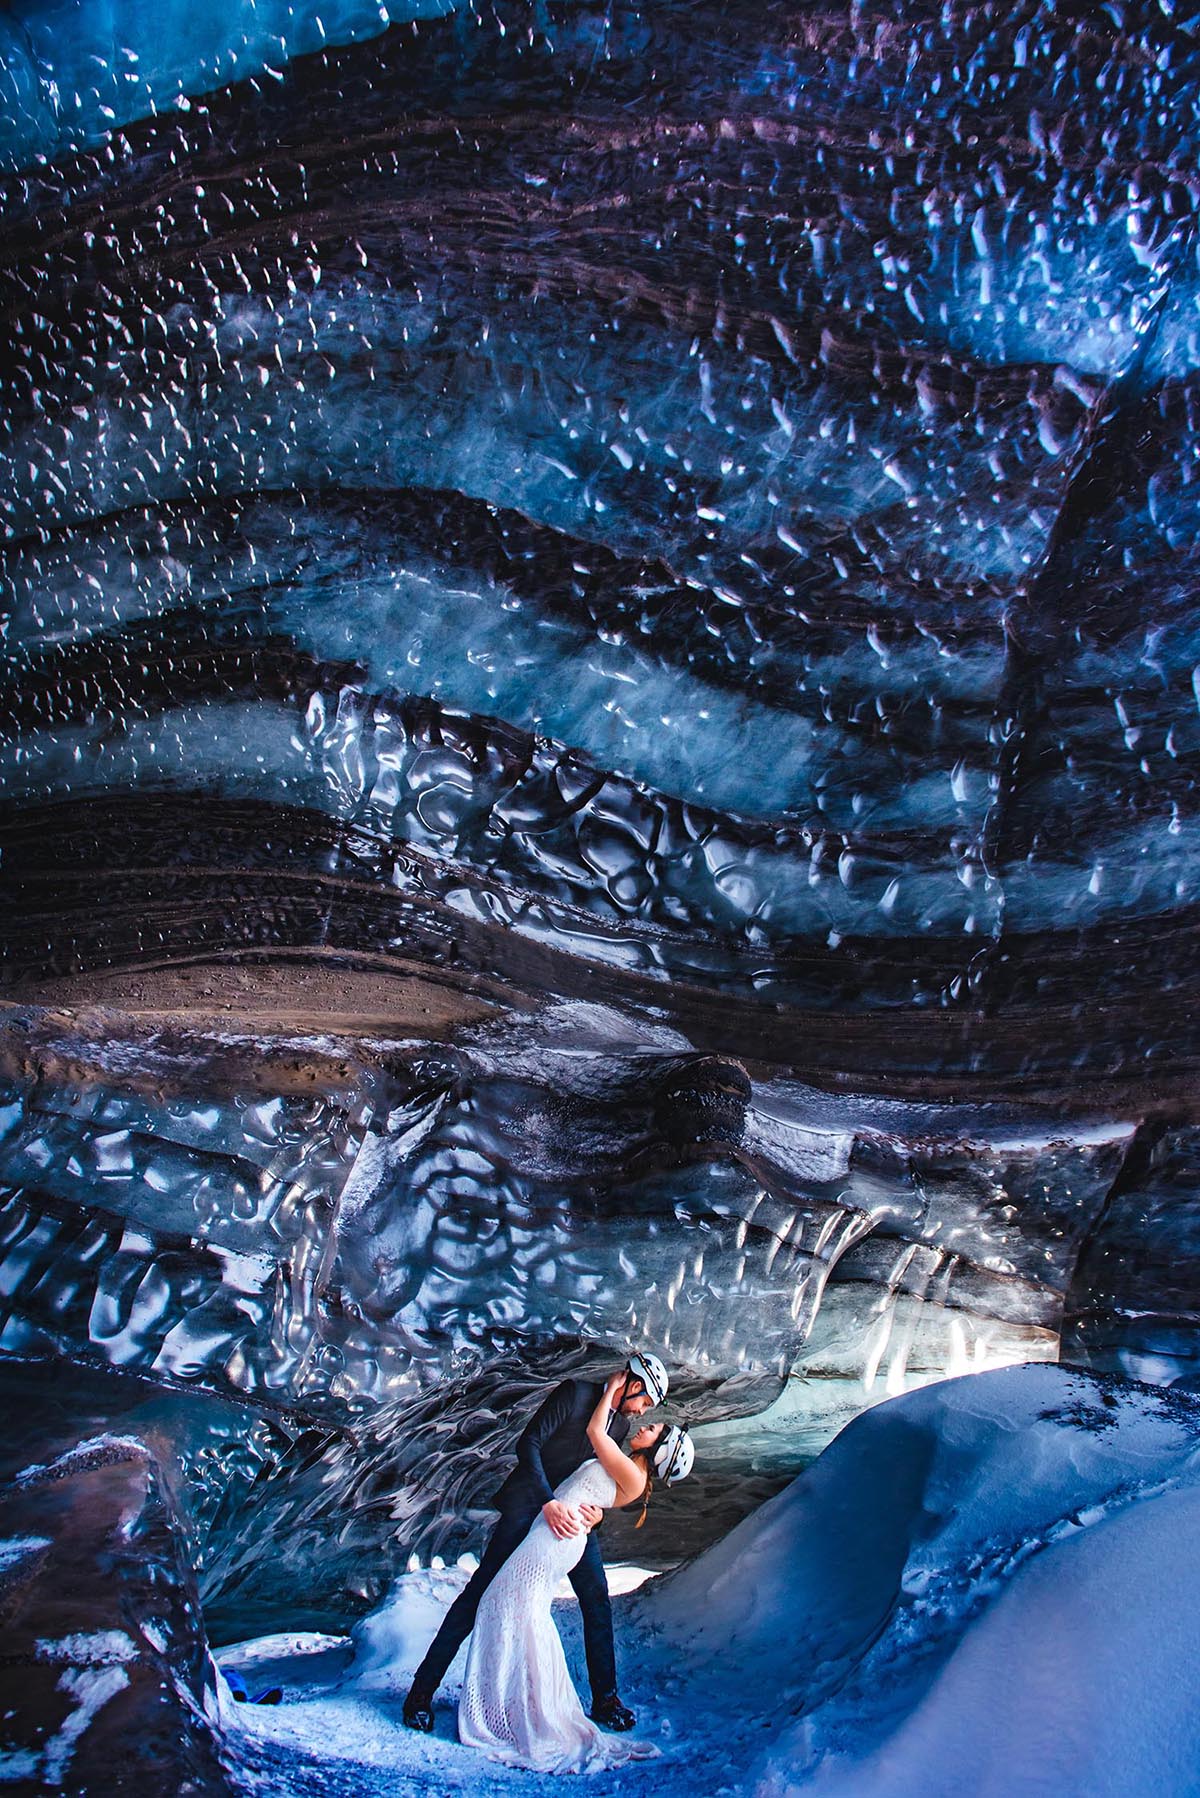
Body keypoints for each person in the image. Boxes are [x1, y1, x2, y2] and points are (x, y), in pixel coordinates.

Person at [403, 1352, 671, 1734]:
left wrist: (599, 1514)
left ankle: (605, 1699)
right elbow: (528, 1445)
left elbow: (598, 1481)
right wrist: (548, 1501)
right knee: (476, 1597)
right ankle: (419, 1696)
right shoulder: (575, 1394)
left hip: (571, 1527)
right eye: (644, 1401)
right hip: (530, 1508)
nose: (642, 1411)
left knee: (596, 1602)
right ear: (633, 1384)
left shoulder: (617, 1430)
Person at [457, 1374, 694, 1772]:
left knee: (517, 1606)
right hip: (550, 1525)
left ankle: (530, 1707)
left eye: (654, 1427)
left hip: (557, 1536)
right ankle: (515, 1701)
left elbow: (594, 1435)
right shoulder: (625, 1458)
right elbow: (588, 1472)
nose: (645, 1420)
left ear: (661, 1449)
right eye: (648, 1409)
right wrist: (595, 1507)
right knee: (509, 1605)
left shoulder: (629, 1463)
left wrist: (611, 1389)